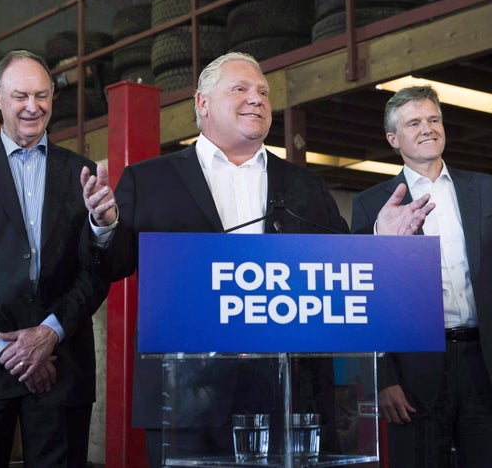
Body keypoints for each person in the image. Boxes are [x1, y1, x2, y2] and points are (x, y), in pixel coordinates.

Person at [80, 52, 432, 466]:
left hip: (291, 400)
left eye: (263, 92)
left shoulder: (305, 185)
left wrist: (381, 241)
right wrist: (103, 225)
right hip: (188, 401)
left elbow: (339, 267)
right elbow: (114, 264)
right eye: (241, 89)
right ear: (202, 103)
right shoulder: (150, 179)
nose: (257, 99)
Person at [0, 50, 110, 467]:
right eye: (21, 95)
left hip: (60, 369)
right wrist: (5, 347)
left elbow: (95, 270)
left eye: (42, 95)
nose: (33, 106)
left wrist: (48, 335)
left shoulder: (80, 174)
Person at [350, 85, 492, 467]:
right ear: (393, 138)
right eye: (414, 122)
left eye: (434, 119)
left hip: (485, 364)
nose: (428, 128)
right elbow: (366, 299)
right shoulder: (373, 204)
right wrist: (382, 378)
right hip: (414, 370)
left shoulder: (486, 190)